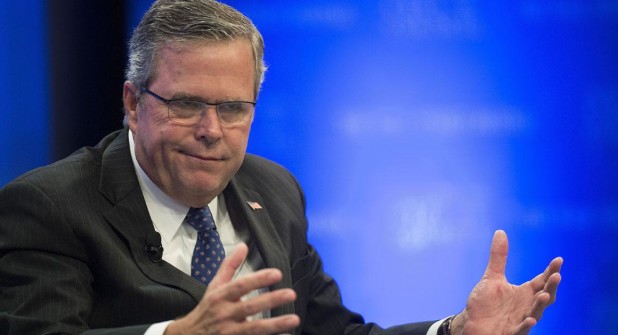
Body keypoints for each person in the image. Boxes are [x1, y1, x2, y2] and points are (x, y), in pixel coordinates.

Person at [0, 0, 563, 334]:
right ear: (132, 103)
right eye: (186, 104)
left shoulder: (274, 190)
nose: (210, 130)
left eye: (233, 108)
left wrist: (455, 331)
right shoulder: (49, 207)